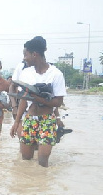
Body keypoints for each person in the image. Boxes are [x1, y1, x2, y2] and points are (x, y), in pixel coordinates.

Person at [9, 36, 67, 167]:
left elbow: (58, 102)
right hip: (29, 119)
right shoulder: (26, 73)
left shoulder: (56, 74)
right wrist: (17, 122)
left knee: (42, 161)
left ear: (34, 54)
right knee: (25, 159)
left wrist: (38, 99)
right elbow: (24, 100)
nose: (24, 58)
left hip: (47, 120)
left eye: (26, 55)